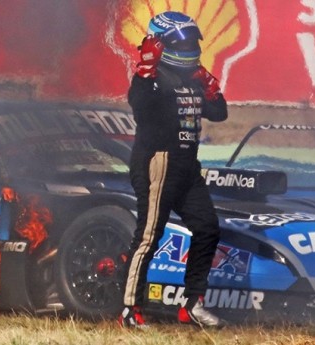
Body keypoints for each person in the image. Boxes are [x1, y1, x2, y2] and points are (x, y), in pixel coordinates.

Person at [119, 11, 228, 329]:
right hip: (158, 162)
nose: (191, 47)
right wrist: (146, 68)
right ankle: (130, 310)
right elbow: (139, 105)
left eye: (194, 41)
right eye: (184, 42)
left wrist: (210, 87)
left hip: (187, 166)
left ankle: (193, 304)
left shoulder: (191, 77)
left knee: (208, 228)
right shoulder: (152, 78)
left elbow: (219, 112)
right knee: (149, 236)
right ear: (160, 43)